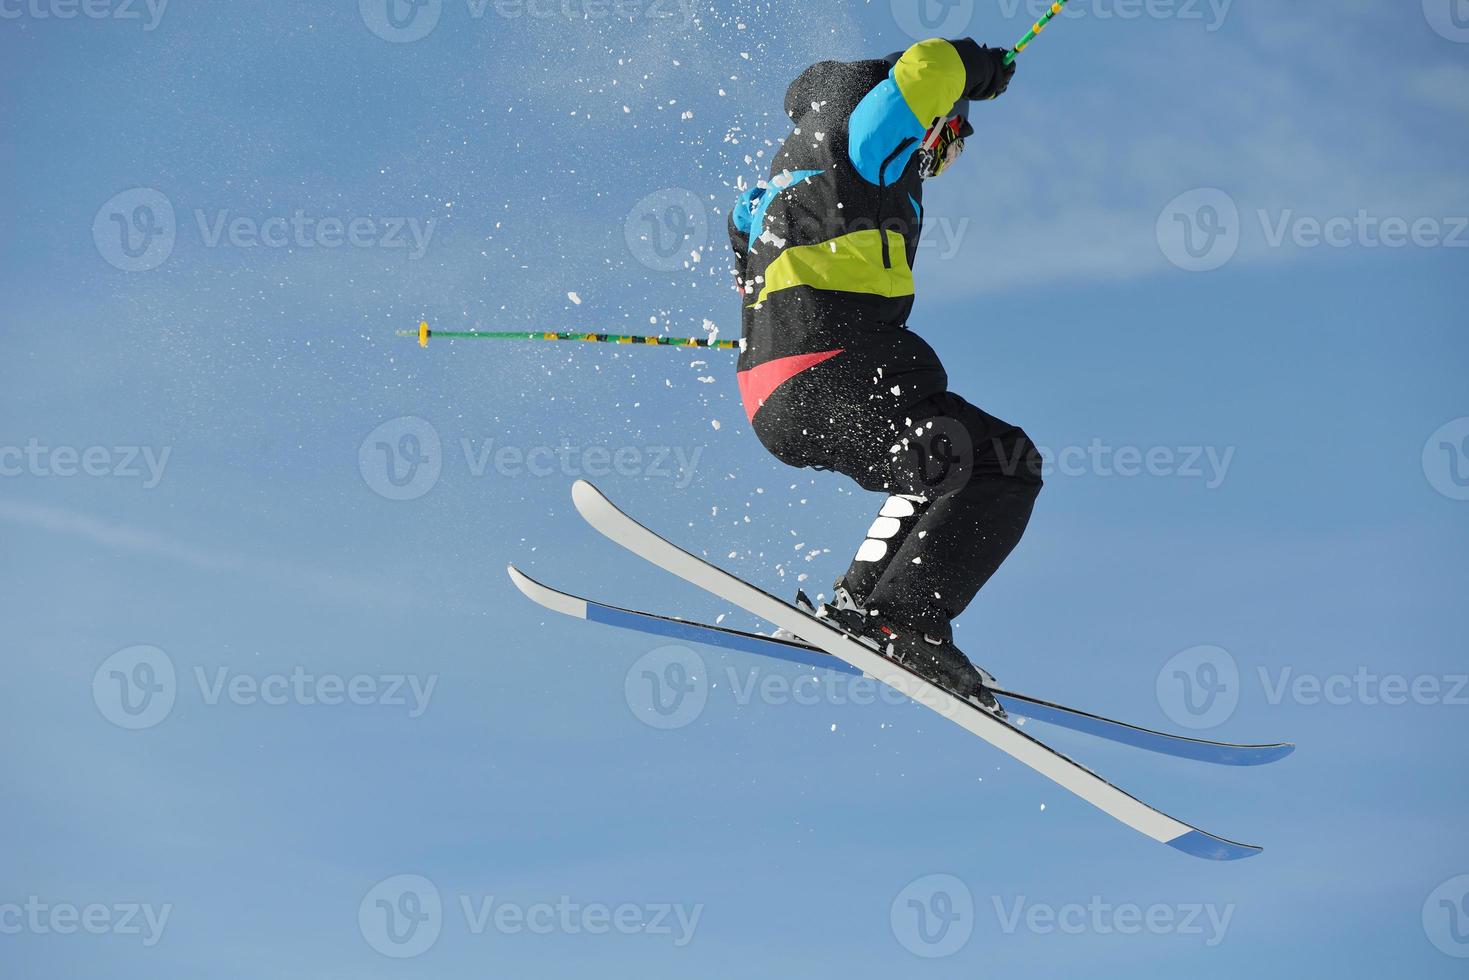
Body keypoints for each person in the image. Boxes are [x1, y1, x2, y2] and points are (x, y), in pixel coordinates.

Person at [727, 37, 1043, 711]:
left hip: (776, 392)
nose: (944, 157)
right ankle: (904, 619)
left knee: (940, 464)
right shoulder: (861, 144)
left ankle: (864, 608)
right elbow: (929, 65)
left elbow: (740, 221)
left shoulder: (786, 177)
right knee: (1004, 461)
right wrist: (981, 72)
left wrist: (773, 307)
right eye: (951, 136)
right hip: (834, 370)